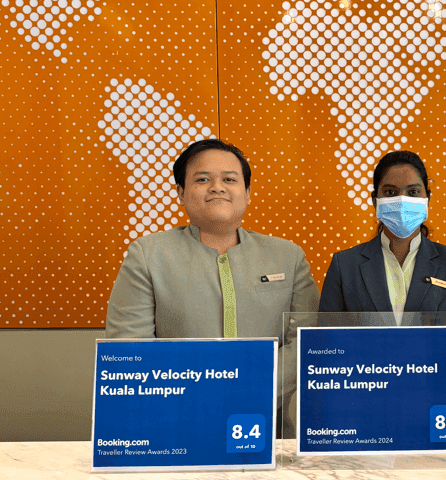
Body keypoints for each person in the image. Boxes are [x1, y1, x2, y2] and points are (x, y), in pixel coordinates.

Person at [105, 139, 319, 432]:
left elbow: (309, 340)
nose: (217, 187)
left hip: (268, 425)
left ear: (247, 193)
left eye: (229, 179)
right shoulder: (148, 255)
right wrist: (196, 394)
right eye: (202, 179)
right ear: (181, 192)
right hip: (174, 424)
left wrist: (253, 389)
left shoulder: (287, 256)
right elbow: (130, 348)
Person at [318, 150, 446, 319]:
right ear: (375, 200)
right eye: (390, 192)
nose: (402, 200)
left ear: (427, 199)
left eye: (413, 192)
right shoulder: (345, 267)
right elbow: (327, 339)